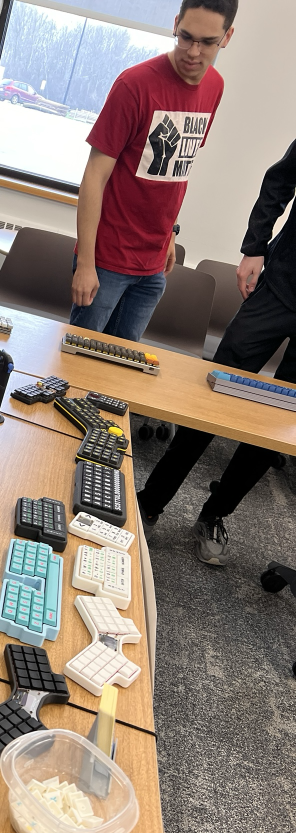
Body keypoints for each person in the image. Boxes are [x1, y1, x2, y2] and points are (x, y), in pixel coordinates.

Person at [137, 140, 296, 565]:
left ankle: (214, 514)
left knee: (277, 424)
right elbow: (279, 180)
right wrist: (255, 245)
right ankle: (151, 500)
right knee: (215, 395)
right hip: (283, 282)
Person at [70, 0, 237, 342]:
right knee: (78, 363)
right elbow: (94, 177)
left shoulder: (214, 87)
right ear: (175, 23)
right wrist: (86, 262)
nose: (193, 51)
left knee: (120, 376)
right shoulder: (134, 85)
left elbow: (173, 171)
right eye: (186, 37)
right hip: (107, 261)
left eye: (207, 42)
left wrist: (170, 234)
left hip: (154, 265)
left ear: (227, 37)